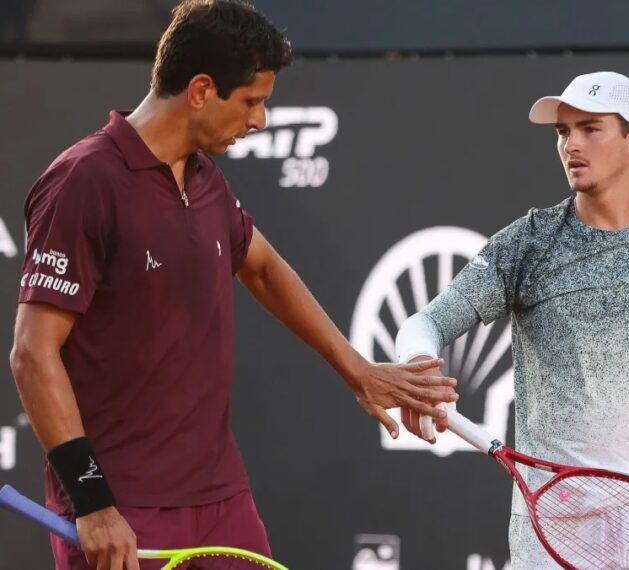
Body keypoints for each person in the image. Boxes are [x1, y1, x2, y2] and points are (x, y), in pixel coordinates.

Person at [9, 2, 457, 569]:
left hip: (221, 500)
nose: (260, 120)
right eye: (252, 101)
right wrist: (92, 502)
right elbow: (32, 352)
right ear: (200, 90)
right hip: (122, 509)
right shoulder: (84, 180)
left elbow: (264, 267)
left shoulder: (205, 178)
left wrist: (358, 370)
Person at [394, 71, 629, 568]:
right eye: (562, 132)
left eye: (590, 128)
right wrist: (418, 365)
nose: (571, 144)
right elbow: (425, 324)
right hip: (560, 521)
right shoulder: (525, 244)